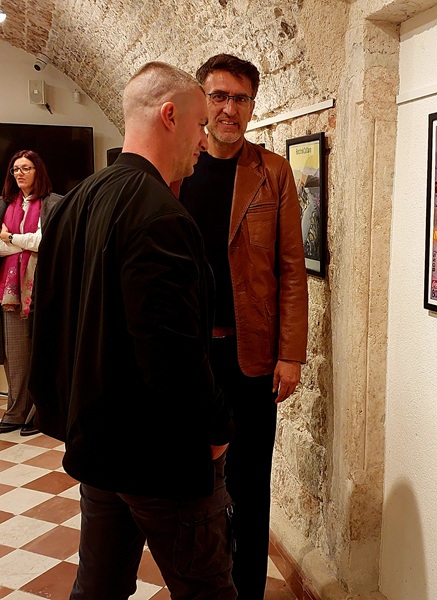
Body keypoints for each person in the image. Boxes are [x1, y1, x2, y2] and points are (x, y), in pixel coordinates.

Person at [27, 61, 237, 600]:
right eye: (199, 125)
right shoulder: (159, 214)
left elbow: (52, 321)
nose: (203, 139)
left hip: (100, 444)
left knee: (98, 588)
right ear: (169, 115)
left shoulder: (76, 201)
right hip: (158, 455)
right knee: (208, 591)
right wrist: (217, 431)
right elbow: (171, 353)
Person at [178, 53, 309, 599]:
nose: (229, 109)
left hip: (251, 357)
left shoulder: (272, 172)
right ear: (201, 101)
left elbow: (292, 269)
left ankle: (246, 591)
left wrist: (291, 354)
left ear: (253, 106)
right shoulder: (177, 170)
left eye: (240, 98)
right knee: (191, 484)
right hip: (188, 357)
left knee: (251, 486)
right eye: (219, 96)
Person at [0, 150, 61, 436]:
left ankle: (39, 415)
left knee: (42, 352)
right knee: (15, 355)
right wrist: (24, 243)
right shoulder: (4, 205)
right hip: (10, 293)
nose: (19, 173)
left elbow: (45, 241)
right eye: (15, 169)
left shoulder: (54, 203)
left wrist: (11, 237)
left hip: (42, 288)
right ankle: (16, 411)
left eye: (26, 168)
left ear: (38, 171)